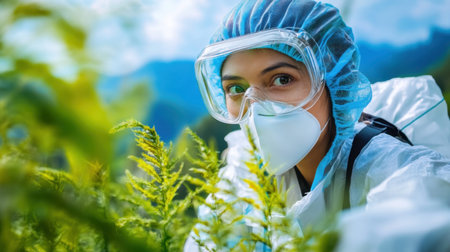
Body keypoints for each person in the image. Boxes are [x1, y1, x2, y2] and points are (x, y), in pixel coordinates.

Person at [185, 0, 450, 251]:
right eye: (236, 88)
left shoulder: (386, 164)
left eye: (281, 79)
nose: (254, 108)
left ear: (332, 81)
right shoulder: (244, 175)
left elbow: (426, 206)